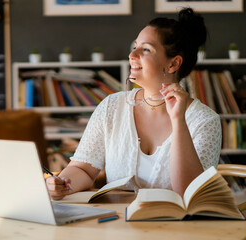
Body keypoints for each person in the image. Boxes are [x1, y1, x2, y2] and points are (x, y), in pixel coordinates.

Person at [46, 8, 222, 200]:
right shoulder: (111, 106)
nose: (132, 55)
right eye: (135, 46)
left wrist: (178, 121)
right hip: (117, 224)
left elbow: (191, 195)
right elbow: (84, 169)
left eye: (146, 49)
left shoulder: (206, 121)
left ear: (173, 64)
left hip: (176, 226)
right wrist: (63, 183)